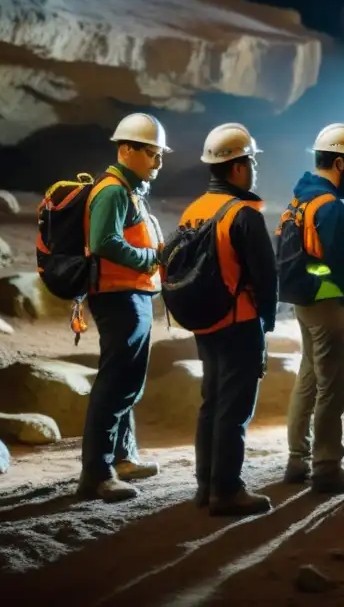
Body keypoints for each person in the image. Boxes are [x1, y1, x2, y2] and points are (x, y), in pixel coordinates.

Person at [180, 123, 278, 516]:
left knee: (212, 403)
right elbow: (265, 276)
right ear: (237, 167)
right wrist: (266, 324)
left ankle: (205, 486)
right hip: (239, 322)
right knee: (234, 411)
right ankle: (228, 490)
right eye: (251, 161)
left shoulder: (195, 209)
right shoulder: (244, 215)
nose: (254, 168)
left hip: (206, 321)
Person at [78, 113, 169, 502]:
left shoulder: (131, 190)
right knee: (116, 382)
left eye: (160, 154)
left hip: (132, 294)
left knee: (129, 381)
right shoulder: (114, 191)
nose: (158, 162)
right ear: (125, 149)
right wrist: (149, 258)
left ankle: (123, 458)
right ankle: (97, 473)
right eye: (151, 153)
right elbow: (103, 242)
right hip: (118, 296)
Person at [276, 123, 344, 493]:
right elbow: (334, 258)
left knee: (309, 379)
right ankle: (326, 465)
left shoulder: (300, 199)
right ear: (340, 162)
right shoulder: (331, 208)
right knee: (334, 386)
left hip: (302, 300)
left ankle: (297, 461)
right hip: (325, 301)